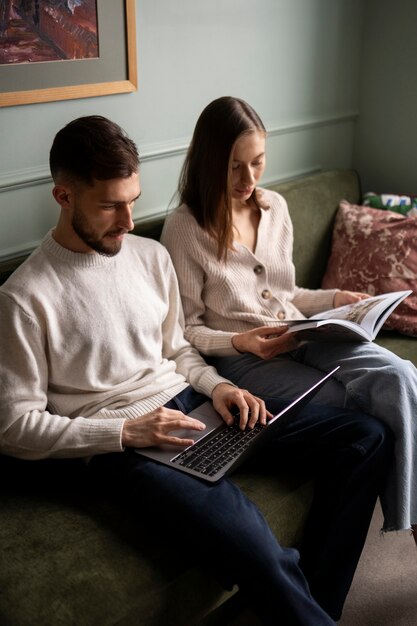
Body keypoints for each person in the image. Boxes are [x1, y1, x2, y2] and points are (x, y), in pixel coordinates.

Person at [0, 115, 393, 626]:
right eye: (109, 205)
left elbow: (179, 351)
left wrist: (222, 385)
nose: (127, 220)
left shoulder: (150, 256)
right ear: (63, 197)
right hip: (133, 447)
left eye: (133, 200)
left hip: (198, 402)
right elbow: (13, 427)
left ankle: (320, 612)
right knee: (260, 555)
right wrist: (125, 431)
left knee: (366, 438)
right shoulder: (25, 298)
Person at [161, 95, 417, 543]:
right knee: (356, 400)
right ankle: (411, 525)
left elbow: (288, 294)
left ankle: (412, 521)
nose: (248, 178)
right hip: (247, 360)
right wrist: (241, 344)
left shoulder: (275, 207)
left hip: (305, 333)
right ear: (208, 161)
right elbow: (187, 329)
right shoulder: (185, 228)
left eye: (258, 162)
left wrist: (339, 298)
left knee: (402, 374)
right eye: (234, 166)